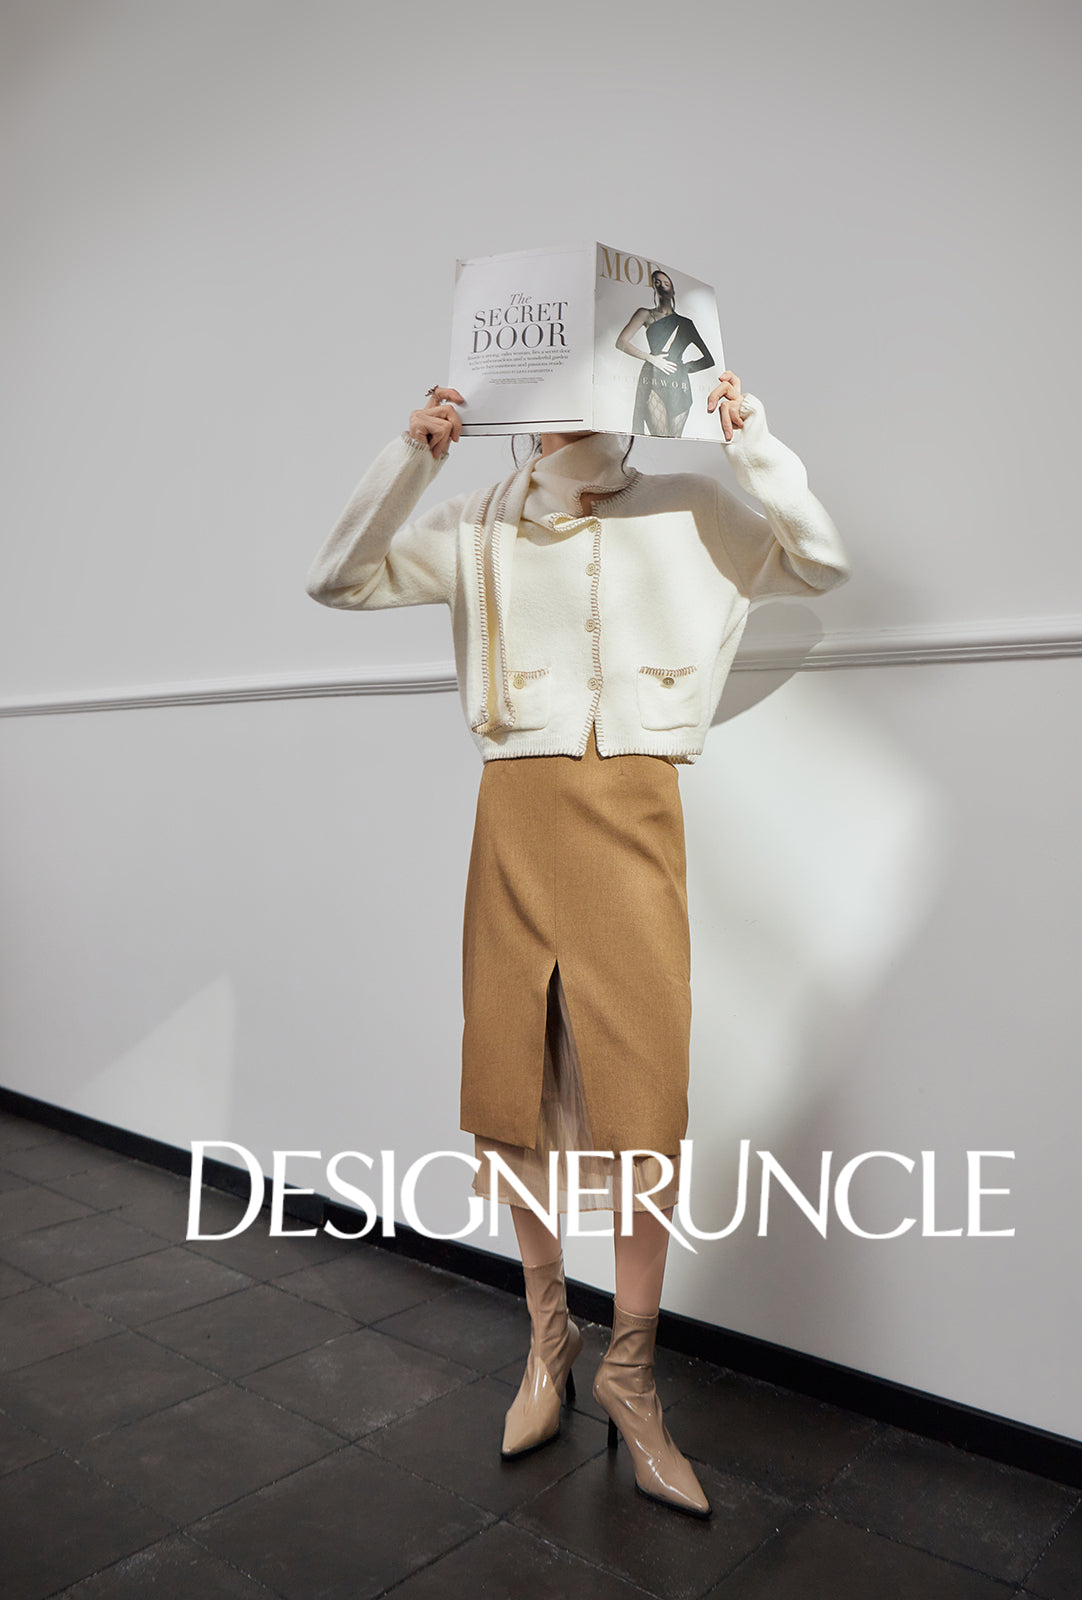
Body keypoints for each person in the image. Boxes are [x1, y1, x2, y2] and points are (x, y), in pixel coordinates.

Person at [305, 369, 851, 1518]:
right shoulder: (477, 521)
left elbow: (820, 561)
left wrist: (751, 443)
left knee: (642, 1099)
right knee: (518, 1083)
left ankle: (631, 1376)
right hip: (516, 817)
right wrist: (415, 456)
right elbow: (337, 576)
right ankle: (548, 1344)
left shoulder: (692, 505)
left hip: (639, 815)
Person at [615, 270, 716, 436]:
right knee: (660, 436)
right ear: (653, 287)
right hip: (653, 376)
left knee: (675, 439)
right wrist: (651, 358)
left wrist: (683, 368)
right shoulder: (645, 314)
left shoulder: (686, 323)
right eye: (657, 282)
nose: (661, 285)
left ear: (673, 290)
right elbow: (621, 342)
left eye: (666, 283)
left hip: (679, 383)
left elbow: (708, 360)